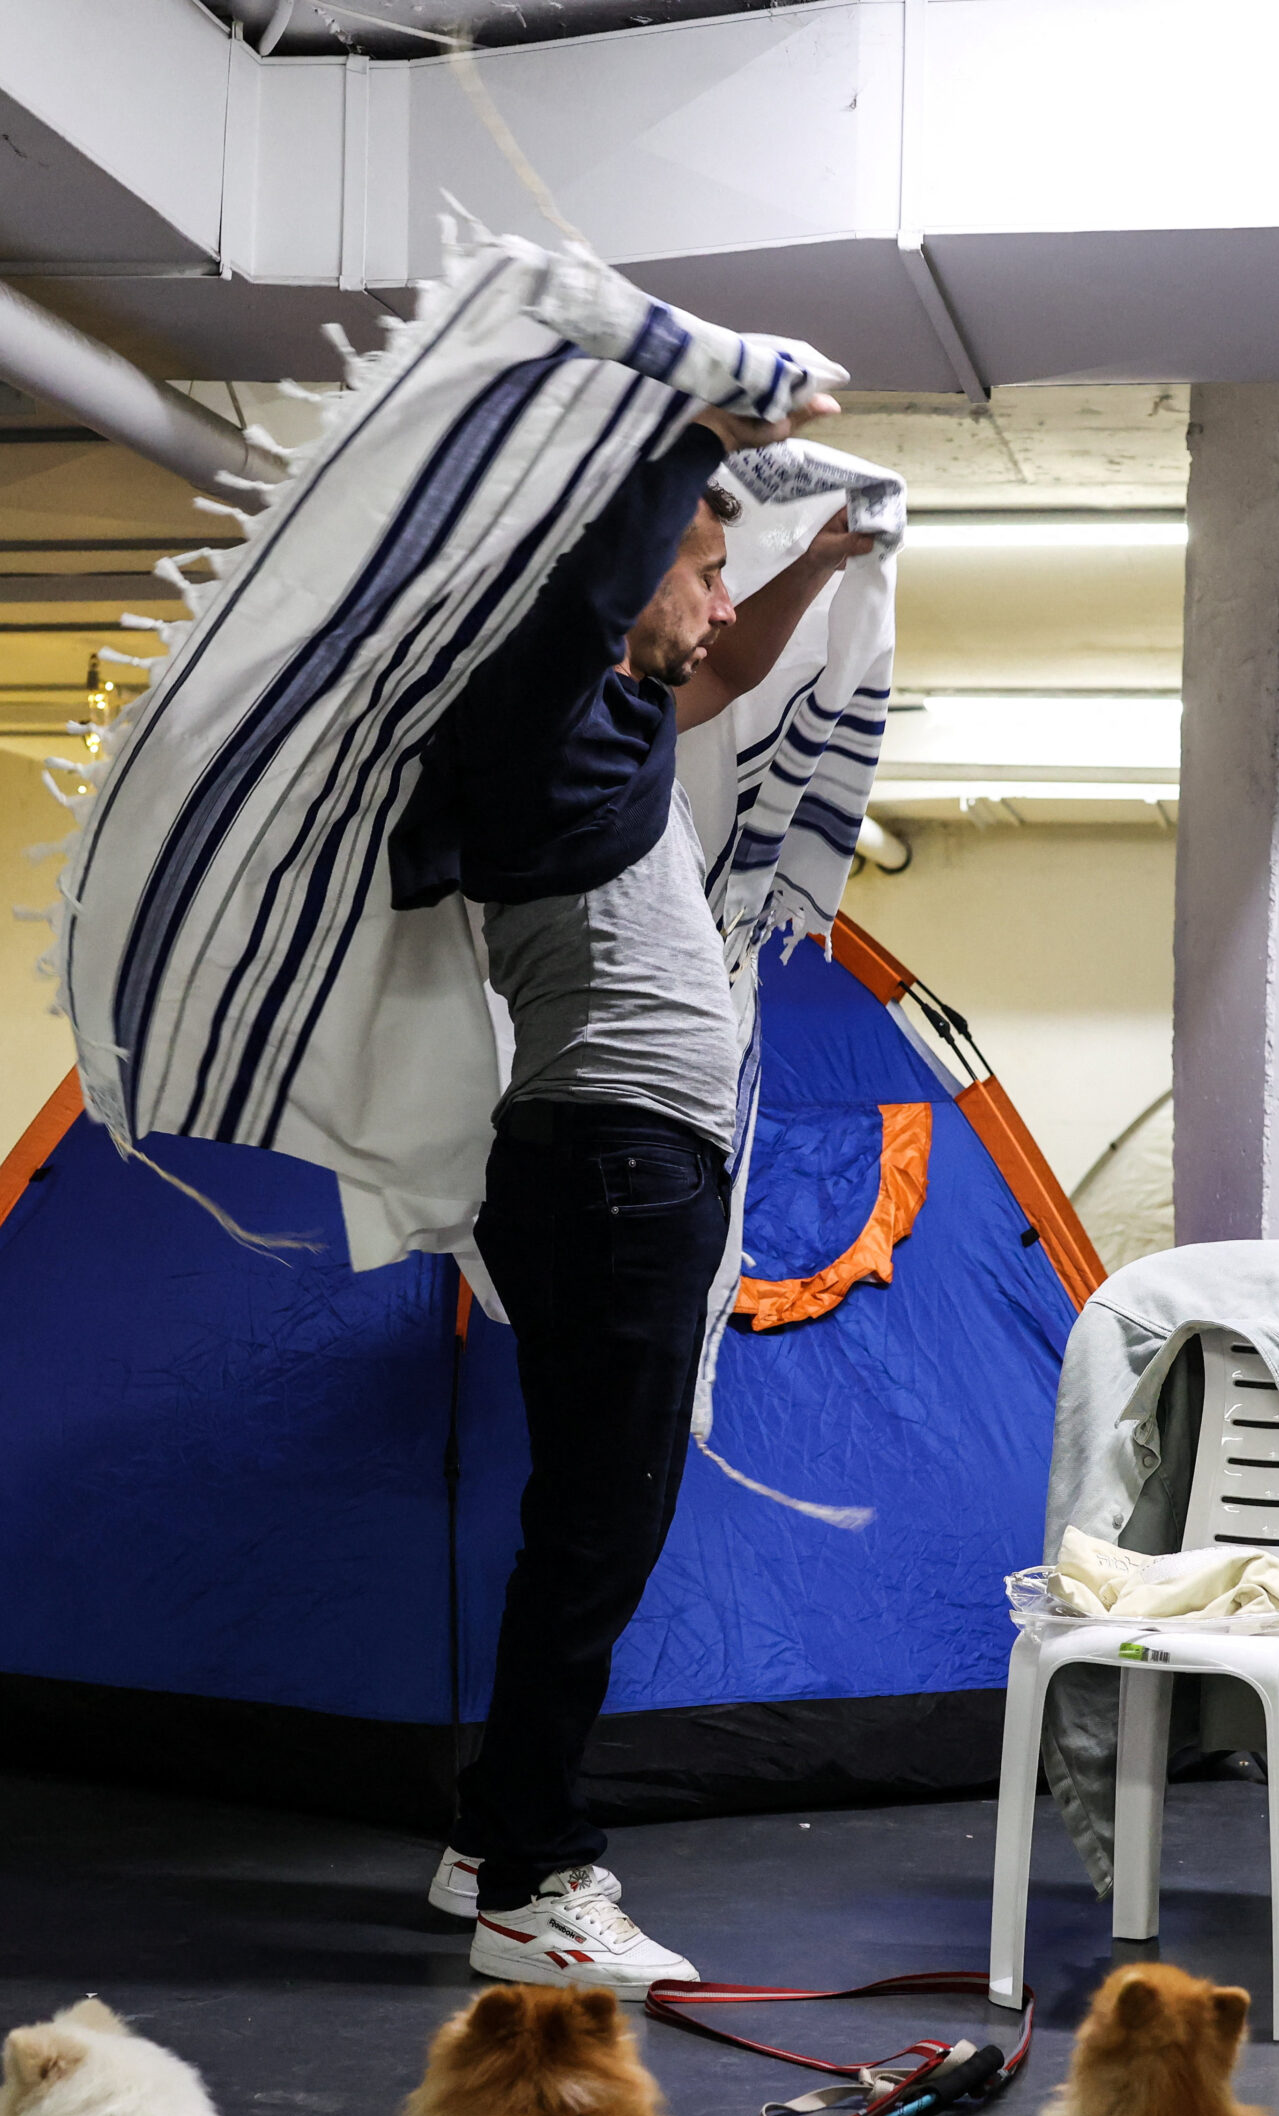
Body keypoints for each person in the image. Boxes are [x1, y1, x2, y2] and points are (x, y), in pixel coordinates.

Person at [391, 393, 875, 1992]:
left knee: (587, 1524)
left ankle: (488, 1834)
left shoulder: (605, 723)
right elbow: (591, 582)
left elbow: (722, 668)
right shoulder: (533, 707)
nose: (721, 600)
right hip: (612, 1160)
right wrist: (689, 432)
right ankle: (533, 1881)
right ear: (615, 574)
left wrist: (815, 563)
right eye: (704, 566)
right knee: (601, 1531)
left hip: (612, 1163)